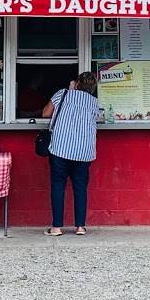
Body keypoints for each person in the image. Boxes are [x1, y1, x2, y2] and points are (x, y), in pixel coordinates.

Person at [41, 71, 99, 236]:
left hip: (61, 148)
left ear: (77, 83)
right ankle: (80, 227)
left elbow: (46, 113)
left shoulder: (63, 93)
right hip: (83, 151)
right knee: (80, 188)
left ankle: (57, 227)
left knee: (58, 186)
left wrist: (70, 89)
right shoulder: (94, 102)